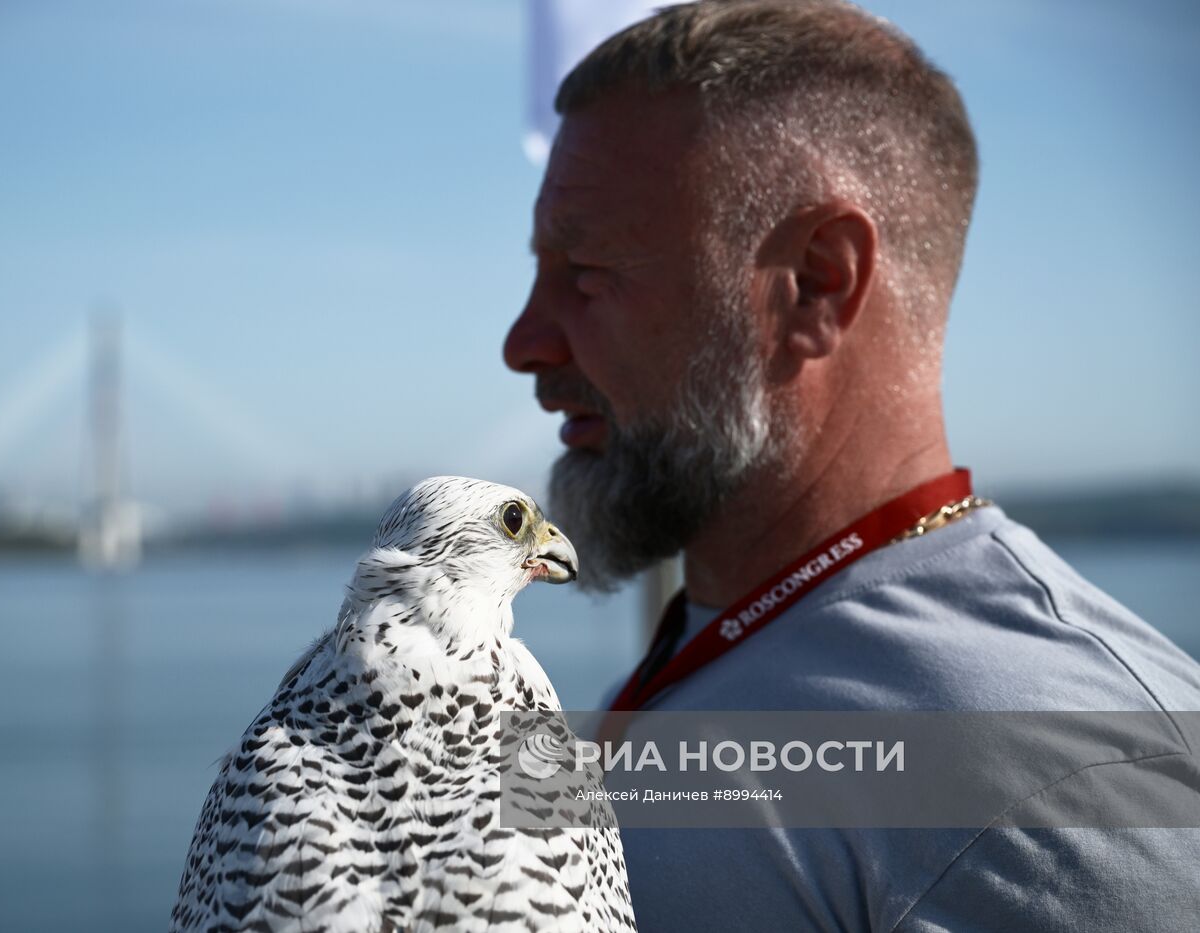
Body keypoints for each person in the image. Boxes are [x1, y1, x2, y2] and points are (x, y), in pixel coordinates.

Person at [502, 1, 1200, 930]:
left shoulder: (1055, 769)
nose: (523, 342)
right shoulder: (719, 649)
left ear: (816, 283)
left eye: (586, 274)